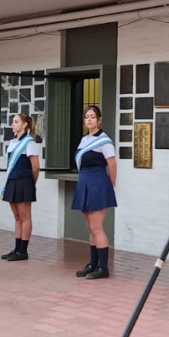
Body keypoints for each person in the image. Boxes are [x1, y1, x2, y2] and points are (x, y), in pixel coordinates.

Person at [71, 105, 117, 280]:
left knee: (97, 228)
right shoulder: (84, 140)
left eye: (92, 116)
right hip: (84, 182)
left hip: (98, 183)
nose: (89, 119)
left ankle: (103, 267)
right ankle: (93, 263)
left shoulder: (104, 141)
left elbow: (112, 164)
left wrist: (110, 186)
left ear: (99, 119)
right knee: (90, 228)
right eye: (86, 117)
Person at [0, 113, 41, 262]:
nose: (13, 124)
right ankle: (16, 248)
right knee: (17, 217)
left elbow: (35, 167)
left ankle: (23, 250)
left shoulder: (29, 142)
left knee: (25, 217)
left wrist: (31, 183)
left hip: (24, 181)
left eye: (16, 122)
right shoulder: (12, 142)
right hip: (12, 180)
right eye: (12, 121)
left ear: (24, 125)